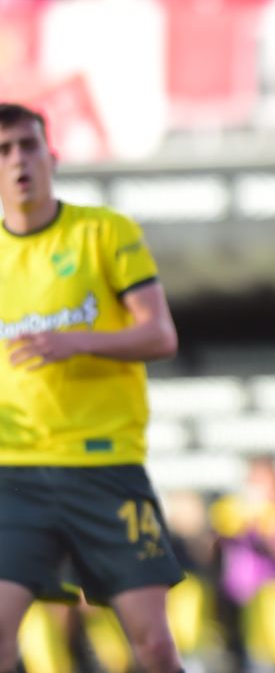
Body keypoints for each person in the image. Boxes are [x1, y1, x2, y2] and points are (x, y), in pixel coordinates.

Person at [0, 102, 185, 673]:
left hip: (104, 467)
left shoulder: (104, 232)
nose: (17, 161)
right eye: (4, 151)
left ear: (51, 156)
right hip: (16, 472)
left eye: (28, 146)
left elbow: (160, 333)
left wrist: (74, 342)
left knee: (153, 644)